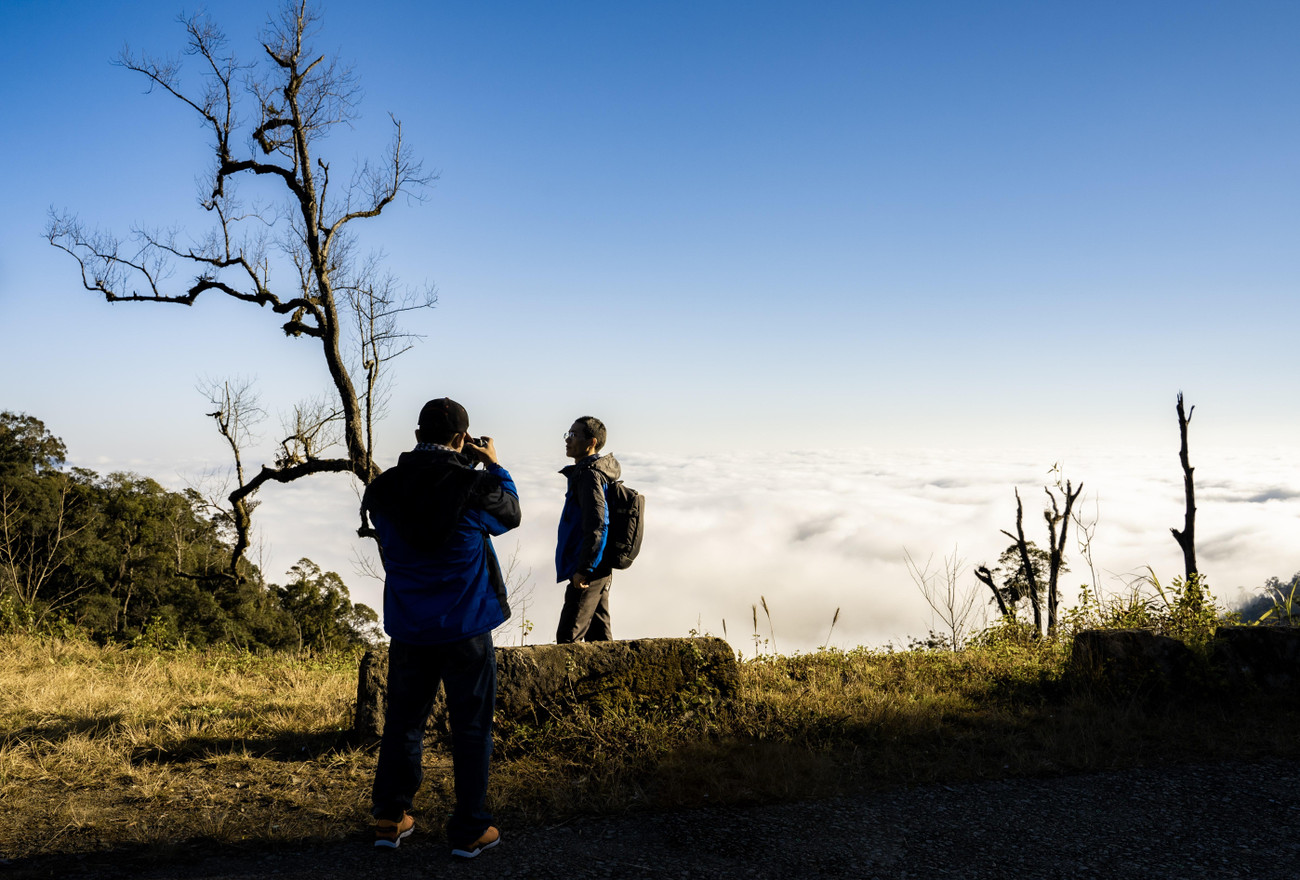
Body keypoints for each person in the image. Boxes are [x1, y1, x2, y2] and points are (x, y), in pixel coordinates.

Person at [361, 397, 519, 859]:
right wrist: (493, 465)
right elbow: (510, 514)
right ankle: (469, 829)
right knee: (471, 727)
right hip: (466, 627)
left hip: (411, 626)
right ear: (461, 439)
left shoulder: (383, 489)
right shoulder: (474, 486)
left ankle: (390, 818)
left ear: (416, 436)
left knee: (403, 723)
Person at [555, 415, 621, 643]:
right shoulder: (589, 472)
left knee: (568, 638)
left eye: (574, 435)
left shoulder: (589, 475)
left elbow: (598, 523)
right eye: (568, 434)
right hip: (596, 566)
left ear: (591, 442)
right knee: (599, 638)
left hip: (589, 568)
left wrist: (585, 568)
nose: (567, 440)